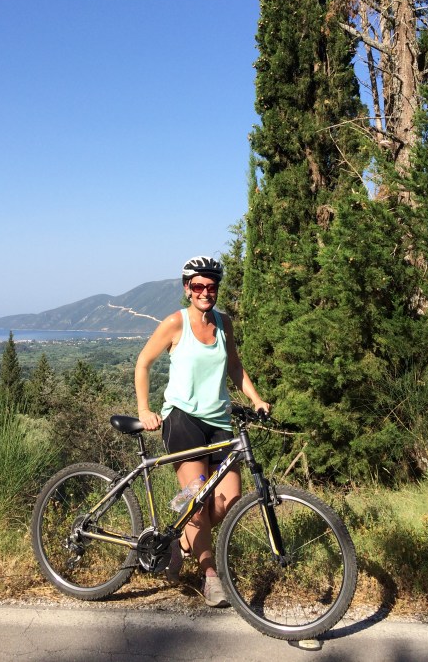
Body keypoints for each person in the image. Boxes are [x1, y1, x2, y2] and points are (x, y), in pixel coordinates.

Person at [134, 255, 270, 608]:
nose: (205, 292)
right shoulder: (174, 324)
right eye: (198, 286)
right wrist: (145, 410)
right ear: (187, 289)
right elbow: (143, 363)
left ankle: (181, 541)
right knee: (197, 505)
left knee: (229, 501)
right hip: (182, 420)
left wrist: (256, 399)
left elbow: (235, 367)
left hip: (219, 421)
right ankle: (210, 575)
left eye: (211, 286)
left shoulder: (224, 323)